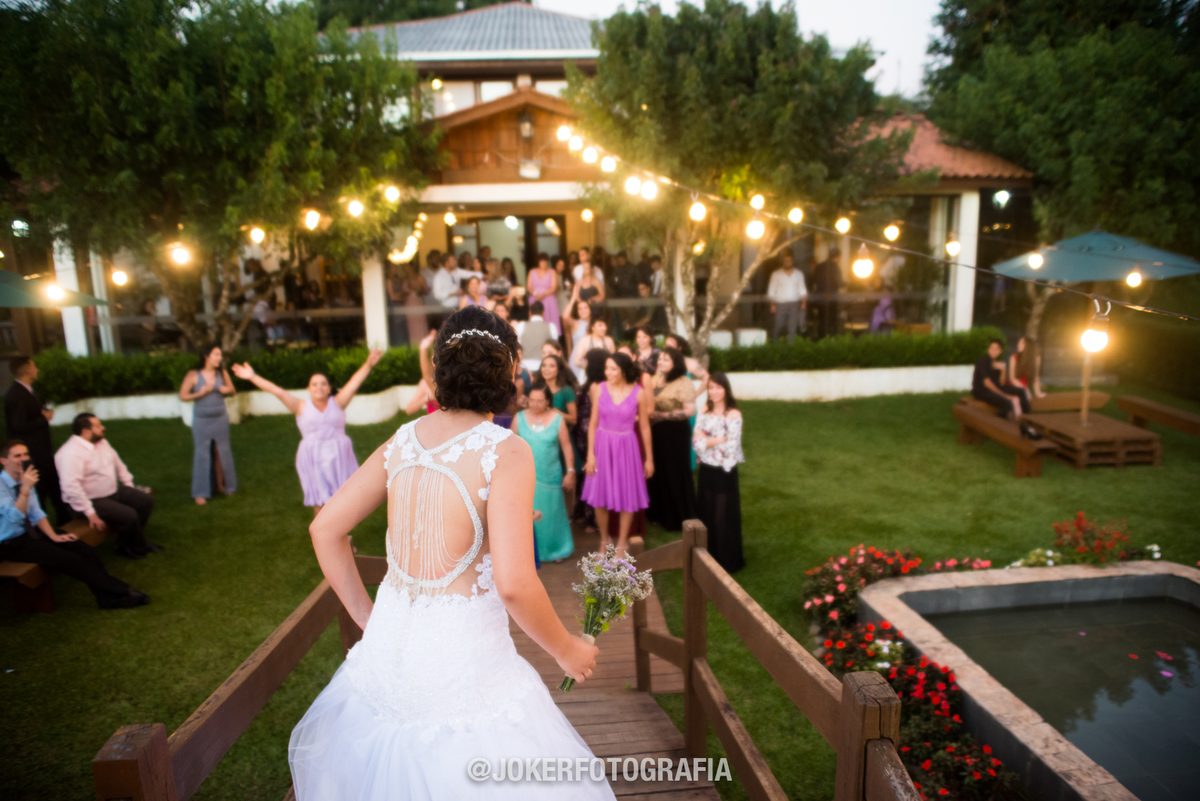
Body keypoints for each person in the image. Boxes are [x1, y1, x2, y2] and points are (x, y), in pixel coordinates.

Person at [288, 306, 611, 800]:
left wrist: (368, 619)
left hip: (386, 657)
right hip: (464, 669)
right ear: (507, 371)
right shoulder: (505, 450)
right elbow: (514, 584)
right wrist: (566, 650)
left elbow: (325, 529)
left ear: (441, 366)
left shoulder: (402, 440)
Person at [0, 440, 148, 608]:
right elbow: (14, 517)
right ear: (3, 460)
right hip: (12, 542)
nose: (23, 459)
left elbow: (36, 513)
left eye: (26, 454)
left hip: (33, 532)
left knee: (87, 551)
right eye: (17, 456)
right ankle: (121, 592)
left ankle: (106, 598)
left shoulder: (25, 479)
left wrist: (53, 536)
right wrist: (25, 489)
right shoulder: (6, 486)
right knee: (70, 560)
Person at [231, 351, 382, 514]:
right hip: (313, 457)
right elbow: (277, 391)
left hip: (339, 456)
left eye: (323, 383)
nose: (319, 387)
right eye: (314, 384)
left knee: (344, 500)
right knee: (320, 501)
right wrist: (252, 376)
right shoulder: (300, 406)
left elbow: (354, 383)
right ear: (308, 389)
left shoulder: (338, 403)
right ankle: (322, 530)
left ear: (329, 388)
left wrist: (368, 364)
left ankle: (345, 530)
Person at [55, 414, 160, 559]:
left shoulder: (101, 442)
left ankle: (124, 543)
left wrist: (129, 486)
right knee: (128, 515)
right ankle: (136, 548)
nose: (103, 428)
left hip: (111, 492)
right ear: (86, 432)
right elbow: (70, 487)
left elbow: (118, 464)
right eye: (98, 426)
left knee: (144, 500)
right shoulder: (70, 453)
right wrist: (90, 512)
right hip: (89, 500)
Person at [581, 352, 653, 557]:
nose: (608, 372)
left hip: (627, 448)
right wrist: (590, 456)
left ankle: (622, 543)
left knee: (627, 495)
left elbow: (645, 427)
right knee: (599, 497)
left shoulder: (639, 393)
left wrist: (649, 459)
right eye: (607, 368)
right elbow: (592, 424)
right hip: (602, 446)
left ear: (624, 370)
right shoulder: (600, 389)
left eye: (613, 369)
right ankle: (605, 540)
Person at [512, 384, 576, 563]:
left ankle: (557, 549)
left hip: (550, 474)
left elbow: (566, 446)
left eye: (540, 401)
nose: (535, 404)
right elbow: (510, 446)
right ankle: (529, 552)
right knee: (527, 514)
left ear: (548, 401)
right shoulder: (519, 418)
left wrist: (570, 471)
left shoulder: (557, 419)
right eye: (532, 400)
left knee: (553, 513)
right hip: (525, 476)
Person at [5, 356, 69, 522]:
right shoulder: (17, 394)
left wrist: (41, 416)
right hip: (33, 454)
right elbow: (18, 425)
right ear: (27, 370)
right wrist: (43, 418)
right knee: (39, 494)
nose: (37, 369)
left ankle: (65, 524)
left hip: (42, 452)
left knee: (55, 490)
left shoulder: (28, 391)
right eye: (34, 366)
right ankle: (41, 529)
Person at [693, 373, 745, 573]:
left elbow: (731, 448)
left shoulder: (734, 415)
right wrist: (718, 440)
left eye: (718, 387)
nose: (714, 392)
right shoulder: (704, 411)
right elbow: (697, 445)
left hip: (725, 471)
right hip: (707, 469)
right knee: (706, 513)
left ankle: (726, 560)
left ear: (726, 390)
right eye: (711, 387)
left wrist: (707, 441)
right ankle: (708, 557)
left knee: (722, 517)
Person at [645, 347, 697, 532]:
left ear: (676, 363)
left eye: (666, 359)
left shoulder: (684, 382)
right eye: (660, 358)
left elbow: (689, 411)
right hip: (655, 432)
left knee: (674, 472)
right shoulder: (654, 379)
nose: (661, 362)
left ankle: (676, 517)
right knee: (657, 472)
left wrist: (663, 416)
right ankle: (656, 513)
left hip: (675, 433)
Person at [179, 345, 237, 505]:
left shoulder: (222, 373)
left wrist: (226, 390)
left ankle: (224, 486)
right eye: (216, 354)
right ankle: (200, 492)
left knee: (222, 452)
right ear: (207, 356)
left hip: (220, 419)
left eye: (220, 355)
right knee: (202, 453)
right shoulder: (193, 374)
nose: (220, 358)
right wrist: (200, 393)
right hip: (202, 421)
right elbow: (182, 396)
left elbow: (233, 391)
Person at [972, 339, 1029, 420]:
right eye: (991, 348)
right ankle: (997, 423)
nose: (993, 351)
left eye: (996, 349)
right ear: (988, 349)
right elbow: (987, 384)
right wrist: (1005, 395)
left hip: (994, 389)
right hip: (982, 391)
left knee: (1021, 392)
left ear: (1000, 351)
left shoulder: (997, 363)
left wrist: (1003, 369)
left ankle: (1027, 420)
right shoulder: (983, 361)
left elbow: (1001, 384)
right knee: (1007, 403)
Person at [768, 252, 808, 342]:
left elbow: (802, 290)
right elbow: (771, 291)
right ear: (783, 262)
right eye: (785, 261)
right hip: (780, 305)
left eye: (789, 260)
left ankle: (790, 348)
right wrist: (772, 305)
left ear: (792, 261)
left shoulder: (799, 274)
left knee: (792, 328)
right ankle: (775, 346)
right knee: (778, 326)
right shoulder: (776, 274)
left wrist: (803, 304)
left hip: (794, 305)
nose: (787, 262)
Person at [515, 300, 560, 372]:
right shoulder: (551, 327)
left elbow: (517, 346)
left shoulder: (521, 325)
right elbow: (554, 348)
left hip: (525, 366)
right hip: (544, 367)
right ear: (543, 313)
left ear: (530, 313)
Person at [536, 354, 578, 427]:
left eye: (551, 366)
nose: (546, 369)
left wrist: (555, 412)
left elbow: (573, 420)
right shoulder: (536, 388)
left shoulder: (566, 390)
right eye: (544, 365)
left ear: (558, 370)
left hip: (559, 431)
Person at [812, 247, 844, 338]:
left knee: (821, 320)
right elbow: (840, 283)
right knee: (832, 321)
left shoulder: (819, 266)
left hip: (820, 299)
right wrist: (847, 283)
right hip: (832, 299)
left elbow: (814, 280)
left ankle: (821, 339)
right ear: (837, 257)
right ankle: (830, 339)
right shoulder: (836, 268)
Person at [526, 253, 561, 330]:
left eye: (545, 262)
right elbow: (529, 287)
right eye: (541, 261)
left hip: (548, 299)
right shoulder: (532, 272)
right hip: (535, 299)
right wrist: (536, 294)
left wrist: (542, 294)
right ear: (538, 262)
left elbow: (553, 287)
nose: (543, 263)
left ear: (547, 262)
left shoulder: (552, 271)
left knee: (549, 321)